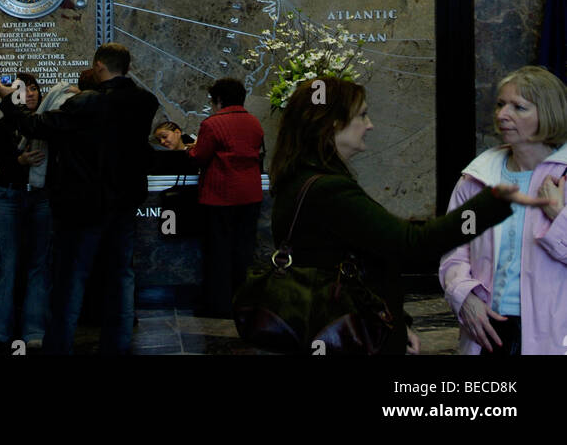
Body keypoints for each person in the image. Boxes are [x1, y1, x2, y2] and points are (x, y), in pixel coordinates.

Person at [270, 77, 545, 355]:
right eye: (362, 115)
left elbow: (364, 263)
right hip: (340, 336)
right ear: (333, 124)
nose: (370, 125)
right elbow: (412, 244)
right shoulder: (327, 191)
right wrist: (493, 201)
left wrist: (399, 323)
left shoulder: (302, 180)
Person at [0, 42, 157, 355]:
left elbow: (36, 125)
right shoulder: (145, 101)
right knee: (122, 277)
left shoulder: (87, 103)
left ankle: (60, 348)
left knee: (72, 279)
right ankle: (118, 346)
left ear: (99, 66)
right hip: (124, 203)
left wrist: (9, 102)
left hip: (84, 204)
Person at [439, 65, 567, 355]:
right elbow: (453, 250)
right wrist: (464, 296)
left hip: (555, 335)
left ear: (548, 113)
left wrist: (560, 215)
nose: (502, 115)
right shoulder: (476, 178)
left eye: (518, 107)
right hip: (488, 330)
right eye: (500, 104)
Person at [0, 73, 51, 351]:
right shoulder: (0, 127)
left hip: (41, 198)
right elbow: (4, 165)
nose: (30, 94)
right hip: (9, 195)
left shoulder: (47, 122)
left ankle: (35, 327)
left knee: (39, 265)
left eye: (34, 89)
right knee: (4, 265)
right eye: (23, 90)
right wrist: (20, 161)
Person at [187, 77, 264, 317]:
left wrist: (189, 150)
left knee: (218, 253)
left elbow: (199, 156)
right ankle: (242, 303)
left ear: (219, 99)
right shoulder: (254, 123)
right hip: (250, 194)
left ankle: (218, 305)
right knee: (243, 251)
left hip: (220, 196)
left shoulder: (213, 124)